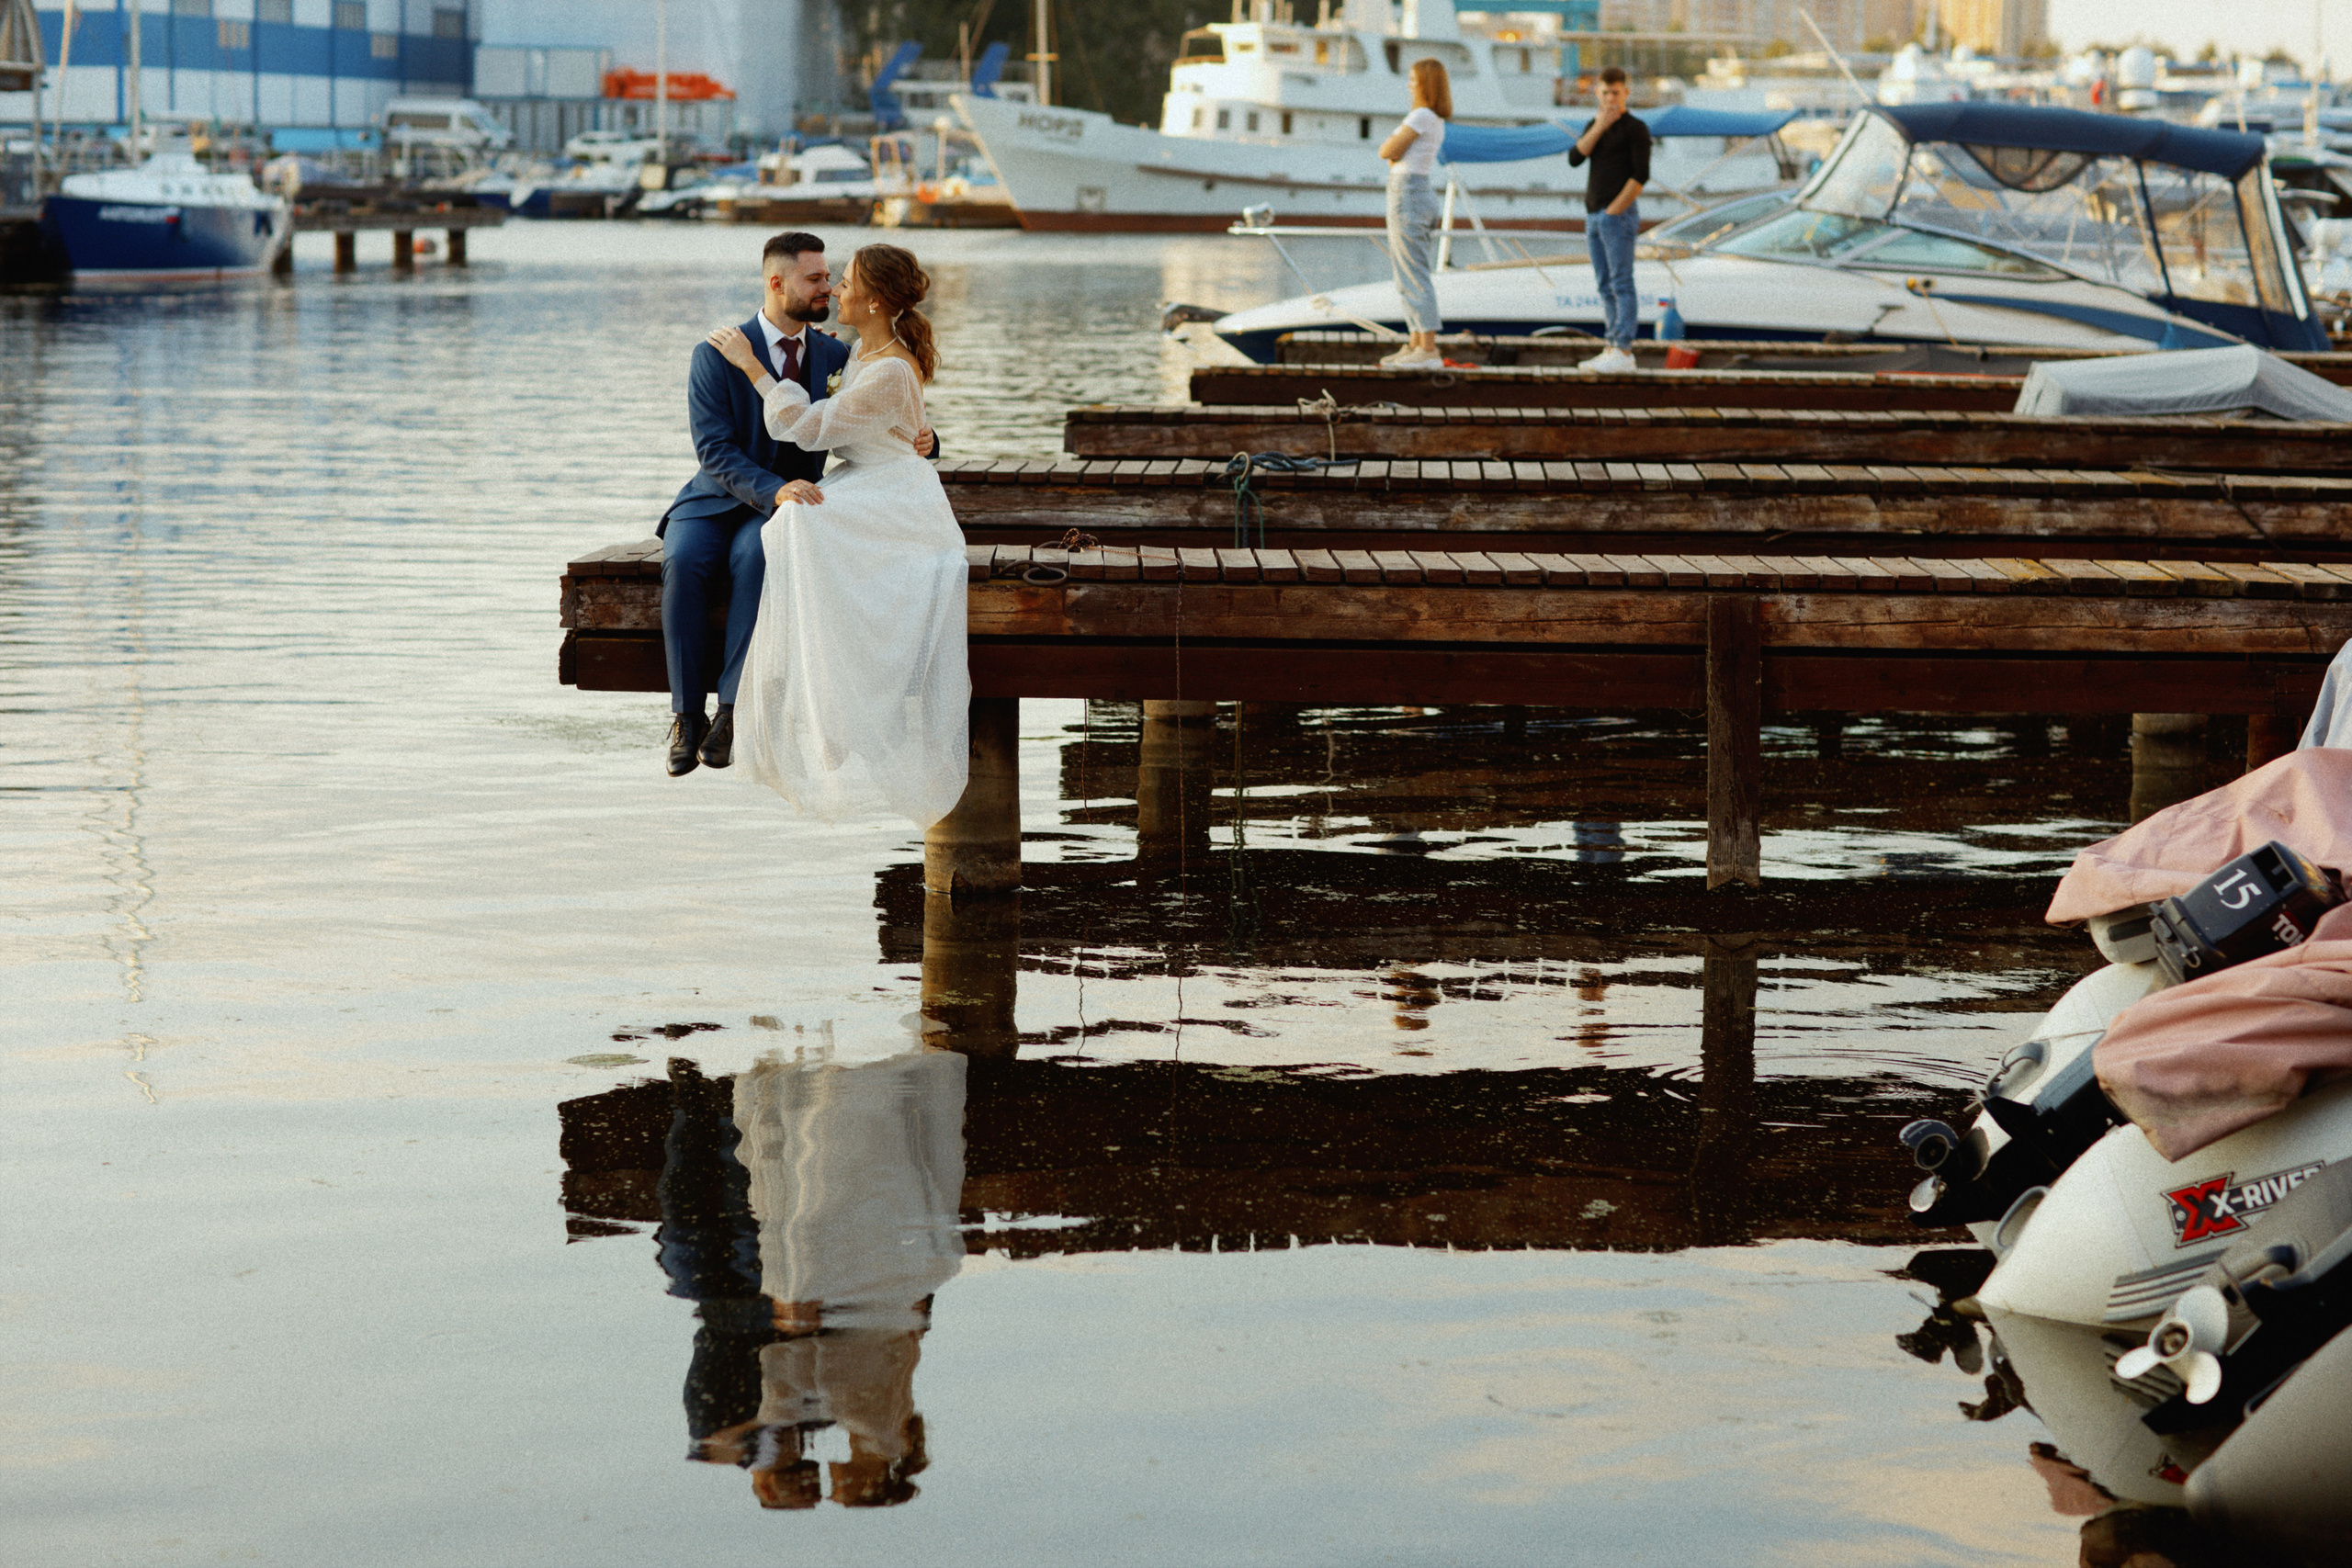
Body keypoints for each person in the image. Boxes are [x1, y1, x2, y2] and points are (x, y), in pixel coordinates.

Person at [705, 243, 972, 829]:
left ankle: (831, 703)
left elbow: (806, 427)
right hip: (870, 481)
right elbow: (898, 420)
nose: (835, 292)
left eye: (845, 283)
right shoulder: (859, 352)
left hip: (896, 498)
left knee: (799, 519)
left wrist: (754, 366)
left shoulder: (890, 366)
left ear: (873, 300)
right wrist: (921, 434)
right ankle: (809, 691)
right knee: (798, 518)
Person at [658, 232, 937, 779]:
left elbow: (881, 412)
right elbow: (714, 450)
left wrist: (928, 440)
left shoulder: (838, 352)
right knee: (684, 564)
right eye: (815, 280)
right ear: (776, 283)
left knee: (758, 560)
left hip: (792, 506)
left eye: (831, 278)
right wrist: (773, 489)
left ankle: (733, 713)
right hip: (717, 500)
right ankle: (686, 716)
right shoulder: (718, 351)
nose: (829, 289)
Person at [1567, 66, 1650, 374]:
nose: (1611, 98)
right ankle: (1611, 344)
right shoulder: (1595, 125)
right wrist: (1600, 126)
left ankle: (1623, 348)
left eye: (1616, 92)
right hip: (1593, 215)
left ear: (1626, 92)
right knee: (1604, 285)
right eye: (1605, 92)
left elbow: (1640, 175)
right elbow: (1575, 158)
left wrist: (1615, 210)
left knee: (1621, 283)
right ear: (1597, 93)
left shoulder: (1636, 129)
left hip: (1618, 217)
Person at [1376, 58, 1451, 370]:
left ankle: (1428, 348)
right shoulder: (1430, 119)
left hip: (1408, 193)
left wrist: (1392, 150)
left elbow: (1387, 151)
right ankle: (1415, 343)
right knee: (1405, 272)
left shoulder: (1422, 115)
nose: (1408, 85)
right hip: (1410, 191)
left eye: (1412, 79)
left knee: (1413, 272)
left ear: (1425, 85)